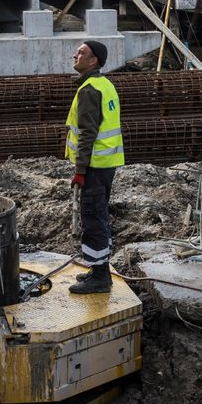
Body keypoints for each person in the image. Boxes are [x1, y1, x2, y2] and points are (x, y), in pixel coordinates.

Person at [65, 40, 124, 294]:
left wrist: (79, 171)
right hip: (105, 164)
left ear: (94, 61)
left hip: (94, 167)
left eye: (82, 53)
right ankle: (98, 269)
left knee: (93, 219)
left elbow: (87, 135)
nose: (75, 55)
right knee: (98, 216)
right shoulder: (105, 85)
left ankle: (100, 278)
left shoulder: (89, 90)